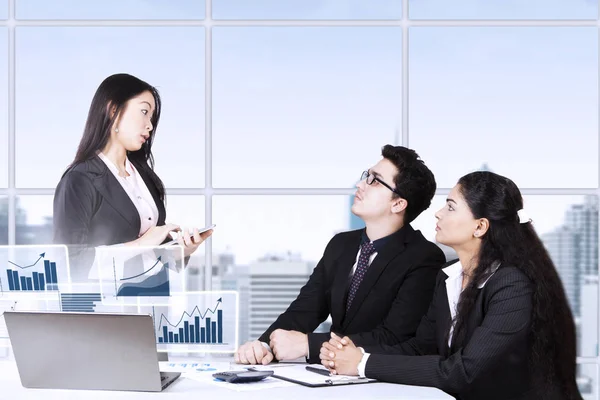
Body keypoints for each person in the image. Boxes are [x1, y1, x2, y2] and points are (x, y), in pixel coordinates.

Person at [320, 171, 581, 400]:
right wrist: (351, 352)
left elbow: (463, 371)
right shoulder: (448, 276)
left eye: (451, 207)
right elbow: (420, 347)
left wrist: (363, 364)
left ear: (480, 226)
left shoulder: (512, 285)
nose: (438, 212)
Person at [235, 145, 446, 365]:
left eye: (375, 180)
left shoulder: (424, 258)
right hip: (328, 377)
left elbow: (393, 337)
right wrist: (264, 346)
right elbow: (305, 309)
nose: (360, 184)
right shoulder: (341, 245)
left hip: (379, 380)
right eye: (367, 176)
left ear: (398, 203)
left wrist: (309, 345)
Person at [53, 73, 212, 281]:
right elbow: (69, 264)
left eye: (152, 117)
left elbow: (152, 257)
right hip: (108, 308)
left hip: (152, 301)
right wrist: (140, 244)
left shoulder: (145, 179)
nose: (150, 125)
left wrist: (183, 249)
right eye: (144, 112)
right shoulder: (79, 180)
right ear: (113, 110)